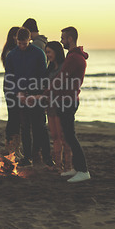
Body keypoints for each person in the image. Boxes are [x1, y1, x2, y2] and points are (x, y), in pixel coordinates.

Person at [39, 27, 90, 183]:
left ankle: (83, 171)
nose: (61, 41)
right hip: (68, 100)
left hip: (67, 101)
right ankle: (77, 168)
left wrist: (45, 94)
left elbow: (60, 79)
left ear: (70, 39)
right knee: (69, 135)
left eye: (63, 38)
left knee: (70, 137)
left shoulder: (74, 58)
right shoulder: (74, 56)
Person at [4, 27, 54, 167]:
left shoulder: (38, 53)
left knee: (39, 127)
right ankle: (27, 157)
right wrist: (18, 93)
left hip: (35, 93)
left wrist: (36, 95)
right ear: (16, 40)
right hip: (20, 95)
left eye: (24, 43)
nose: (22, 46)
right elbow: (9, 77)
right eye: (19, 43)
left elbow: (42, 75)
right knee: (24, 127)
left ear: (29, 40)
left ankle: (44, 156)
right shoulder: (12, 55)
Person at [45, 41, 72, 171]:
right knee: (55, 136)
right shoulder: (50, 68)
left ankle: (68, 165)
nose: (47, 55)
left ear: (57, 52)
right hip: (50, 105)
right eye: (46, 52)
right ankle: (58, 165)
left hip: (61, 105)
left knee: (63, 137)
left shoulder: (64, 67)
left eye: (49, 52)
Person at [1, 26, 23, 158]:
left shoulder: (16, 50)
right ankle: (10, 147)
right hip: (11, 87)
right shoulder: (10, 51)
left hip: (14, 85)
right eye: (16, 36)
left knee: (18, 118)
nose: (17, 38)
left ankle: (15, 148)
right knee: (14, 117)